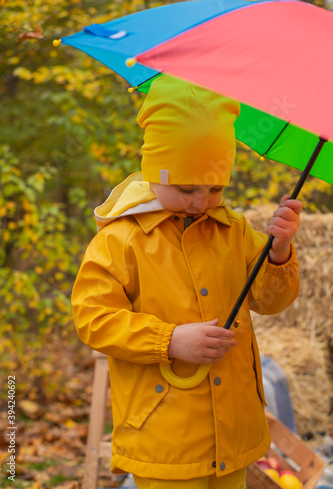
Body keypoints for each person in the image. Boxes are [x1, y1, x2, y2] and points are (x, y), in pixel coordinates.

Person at [71, 75, 302, 489]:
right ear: (153, 172)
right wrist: (169, 339)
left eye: (215, 188)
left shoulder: (233, 230)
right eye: (186, 187)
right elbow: (93, 319)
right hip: (164, 434)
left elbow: (269, 301)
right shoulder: (120, 240)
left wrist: (278, 251)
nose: (201, 200)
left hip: (234, 430)